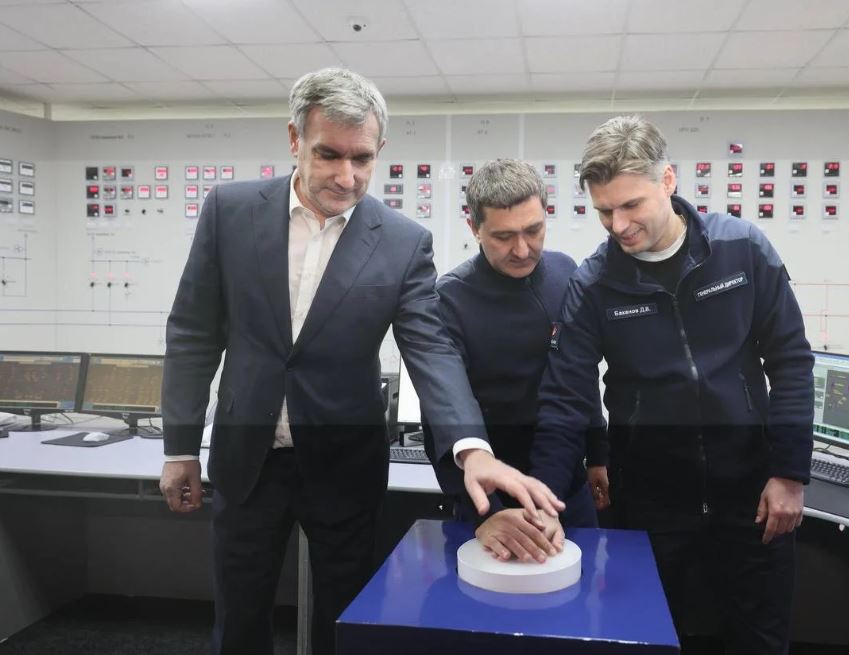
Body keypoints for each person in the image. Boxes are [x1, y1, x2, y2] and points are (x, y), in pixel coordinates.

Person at [158, 68, 563, 655]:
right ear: (295, 139)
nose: (346, 176)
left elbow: (432, 351)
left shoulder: (401, 241)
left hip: (343, 464)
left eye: (363, 158)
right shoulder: (230, 211)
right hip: (248, 460)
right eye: (329, 154)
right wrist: (179, 447)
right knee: (240, 618)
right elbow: (193, 334)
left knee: (344, 620)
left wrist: (472, 448)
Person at [528, 115, 814, 654]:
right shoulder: (594, 283)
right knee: (650, 640)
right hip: (650, 502)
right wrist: (544, 497)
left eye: (630, 205)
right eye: (604, 211)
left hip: (752, 494)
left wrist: (790, 472)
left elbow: (791, 361)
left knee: (760, 641)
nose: (618, 225)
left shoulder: (742, 249)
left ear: (667, 180)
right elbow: (565, 398)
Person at [423, 159, 604, 564]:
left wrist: (598, 453)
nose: (522, 250)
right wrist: (484, 513)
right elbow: (442, 410)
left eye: (533, 230)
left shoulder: (565, 273)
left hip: (566, 487)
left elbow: (580, 376)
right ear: (474, 228)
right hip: (491, 497)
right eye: (503, 237)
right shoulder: (448, 301)